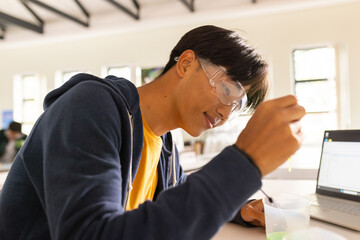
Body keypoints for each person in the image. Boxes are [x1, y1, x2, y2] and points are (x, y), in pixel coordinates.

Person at [0, 25, 305, 239]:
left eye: (237, 106)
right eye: (227, 89)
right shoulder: (90, 106)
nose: (227, 112)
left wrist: (242, 209)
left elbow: (179, 192)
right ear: (186, 63)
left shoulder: (164, 141)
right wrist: (244, 163)